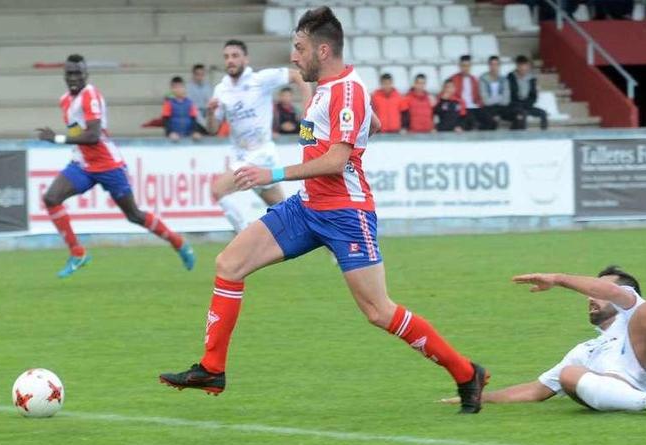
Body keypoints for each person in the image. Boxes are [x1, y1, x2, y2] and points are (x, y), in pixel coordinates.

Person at [159, 7, 490, 414]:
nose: (294, 58)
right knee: (229, 263)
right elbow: (371, 127)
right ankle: (212, 368)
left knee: (378, 310)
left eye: (299, 49)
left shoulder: (346, 91)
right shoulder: (332, 90)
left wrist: (271, 173)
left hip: (346, 213)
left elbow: (336, 161)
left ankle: (465, 372)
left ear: (323, 49)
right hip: (308, 206)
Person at [444, 266, 646, 415]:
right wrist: (479, 397)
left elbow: (611, 291)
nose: (591, 297)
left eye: (596, 291)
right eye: (591, 291)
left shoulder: (633, 310)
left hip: (645, 364)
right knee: (568, 374)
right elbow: (535, 390)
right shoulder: (583, 349)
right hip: (616, 390)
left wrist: (559, 279)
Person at [36, 54, 195, 278]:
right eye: (69, 73)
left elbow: (92, 135)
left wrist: (57, 139)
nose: (73, 78)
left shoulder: (90, 95)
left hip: (107, 163)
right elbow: (77, 131)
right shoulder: (65, 100)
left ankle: (178, 242)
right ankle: (78, 253)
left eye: (77, 73)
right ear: (64, 75)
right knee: (51, 198)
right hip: (82, 163)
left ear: (86, 75)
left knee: (134, 215)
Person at [205, 39, 313, 233]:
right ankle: (331, 246)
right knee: (288, 213)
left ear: (246, 59)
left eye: (235, 56)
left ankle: (242, 234)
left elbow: (298, 76)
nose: (230, 60)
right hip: (243, 156)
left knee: (217, 190)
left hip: (260, 153)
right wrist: (211, 113)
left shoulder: (260, 80)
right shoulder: (221, 90)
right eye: (227, 57)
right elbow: (212, 129)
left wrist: (308, 109)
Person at [507, 55, 548, 131]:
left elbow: (534, 96)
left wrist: (527, 104)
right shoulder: (511, 77)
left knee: (543, 113)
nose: (524, 69)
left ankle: (544, 136)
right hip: (514, 106)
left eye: (525, 66)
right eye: (521, 66)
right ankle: (521, 137)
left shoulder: (531, 79)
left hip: (527, 105)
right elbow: (510, 95)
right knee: (522, 114)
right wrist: (520, 105)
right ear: (517, 66)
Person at [450, 55, 491, 131]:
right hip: (462, 107)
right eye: (464, 66)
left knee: (490, 121)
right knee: (470, 120)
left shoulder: (474, 79)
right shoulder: (453, 79)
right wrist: (460, 103)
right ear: (460, 66)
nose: (466, 68)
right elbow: (450, 95)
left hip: (474, 107)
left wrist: (480, 104)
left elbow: (478, 97)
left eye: (468, 66)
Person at [162, 76, 202, 142]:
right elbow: (166, 121)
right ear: (171, 89)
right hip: (173, 138)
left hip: (188, 136)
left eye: (180, 87)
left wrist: (195, 132)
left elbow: (194, 120)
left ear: (184, 88)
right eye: (175, 87)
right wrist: (170, 133)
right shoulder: (168, 103)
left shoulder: (190, 103)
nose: (178, 89)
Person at [478, 56, 510, 131]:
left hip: (502, 108)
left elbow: (506, 101)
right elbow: (485, 101)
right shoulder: (483, 79)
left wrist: (493, 99)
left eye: (496, 64)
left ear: (499, 66)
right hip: (488, 108)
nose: (494, 67)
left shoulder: (504, 80)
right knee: (491, 119)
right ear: (489, 66)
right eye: (492, 64)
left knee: (519, 115)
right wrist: (500, 97)